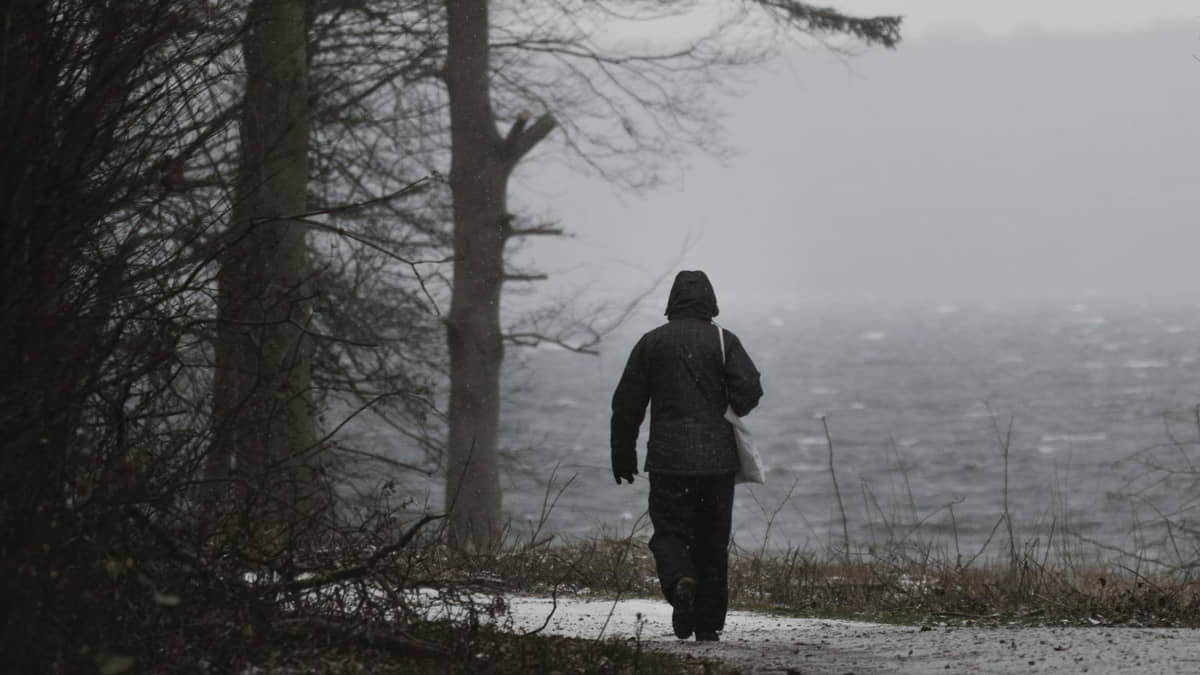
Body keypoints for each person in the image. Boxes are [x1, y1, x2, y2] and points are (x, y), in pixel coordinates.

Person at [610, 270, 763, 642]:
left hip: (668, 460)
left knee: (670, 533)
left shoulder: (652, 343)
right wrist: (729, 404)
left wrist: (623, 453)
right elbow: (750, 389)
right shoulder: (724, 341)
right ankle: (707, 624)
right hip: (717, 462)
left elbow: (627, 403)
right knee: (713, 541)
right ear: (711, 301)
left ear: (672, 301)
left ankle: (681, 581)